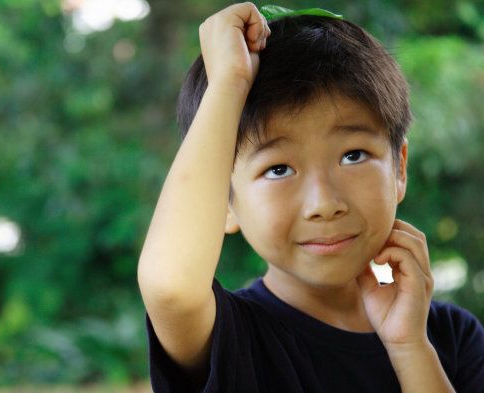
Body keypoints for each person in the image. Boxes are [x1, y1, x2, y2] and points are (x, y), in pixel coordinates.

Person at [137, 2, 484, 392]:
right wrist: (228, 82)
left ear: (399, 169)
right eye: (278, 169)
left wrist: (410, 348)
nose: (324, 203)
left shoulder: (452, 337)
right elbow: (169, 288)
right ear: (225, 200)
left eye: (353, 156)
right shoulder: (230, 337)